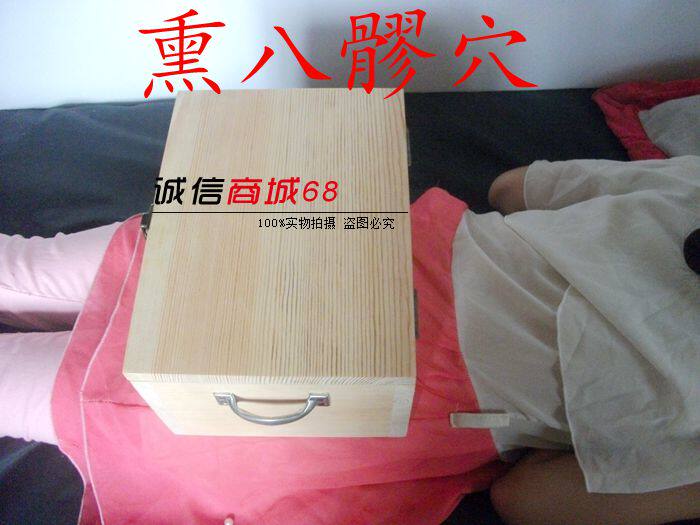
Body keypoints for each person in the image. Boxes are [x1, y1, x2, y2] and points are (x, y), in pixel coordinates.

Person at [1, 156, 698, 525]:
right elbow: (529, 500)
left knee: (26, 267)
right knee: (46, 382)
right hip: (403, 379)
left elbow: (514, 189)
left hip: (375, 251)